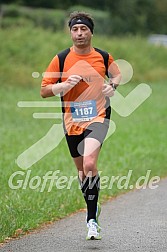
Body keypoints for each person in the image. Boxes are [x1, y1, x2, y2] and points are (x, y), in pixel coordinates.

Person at [40, 11, 121, 240]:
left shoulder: (103, 57)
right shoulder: (61, 59)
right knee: (81, 171)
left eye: (83, 29)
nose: (79, 33)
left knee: (89, 161)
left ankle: (92, 219)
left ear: (91, 32)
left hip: (99, 115)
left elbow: (116, 75)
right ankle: (93, 206)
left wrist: (112, 87)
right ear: (70, 33)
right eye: (75, 29)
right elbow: (44, 90)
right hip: (72, 120)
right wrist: (62, 86)